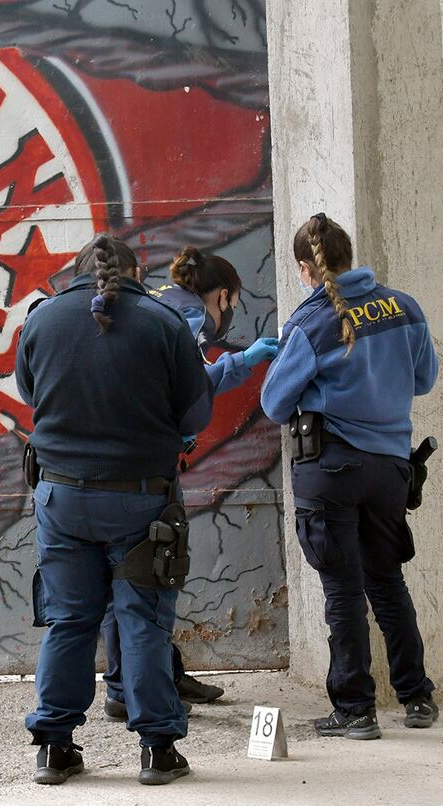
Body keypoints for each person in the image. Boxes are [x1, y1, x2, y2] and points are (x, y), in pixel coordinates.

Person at [17, 233, 213, 786]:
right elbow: (195, 415)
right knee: (143, 621)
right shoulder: (164, 323)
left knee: (69, 620)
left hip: (61, 499)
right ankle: (157, 749)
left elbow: (32, 393)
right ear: (136, 271)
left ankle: (54, 748)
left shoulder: (42, 320)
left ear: (76, 271)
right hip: (140, 500)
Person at [260, 213, 439, 740]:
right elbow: (425, 379)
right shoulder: (403, 307)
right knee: (387, 581)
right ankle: (417, 698)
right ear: (347, 254)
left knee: (342, 588)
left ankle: (356, 710)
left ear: (303, 268)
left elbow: (274, 403)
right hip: (389, 468)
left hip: (330, 468)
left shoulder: (310, 323)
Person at [102, 246, 279, 721]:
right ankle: (130, 689)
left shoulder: (160, 295)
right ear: (220, 295)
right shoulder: (191, 312)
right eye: (232, 304)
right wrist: (244, 363)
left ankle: (160, 674)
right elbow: (191, 383)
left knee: (128, 575)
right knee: (151, 572)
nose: (229, 314)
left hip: (106, 457)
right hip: (144, 464)